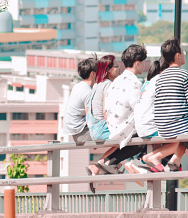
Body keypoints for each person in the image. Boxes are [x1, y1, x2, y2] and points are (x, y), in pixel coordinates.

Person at [151, 38, 188, 211]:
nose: (184, 54)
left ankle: (176, 159)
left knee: (183, 131)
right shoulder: (185, 74)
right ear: (177, 56)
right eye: (183, 52)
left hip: (163, 126)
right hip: (180, 125)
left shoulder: (160, 78)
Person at [90, 45, 148, 179]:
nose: (144, 65)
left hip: (113, 125)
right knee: (145, 136)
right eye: (143, 62)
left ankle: (107, 163)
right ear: (137, 63)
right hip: (123, 128)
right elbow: (139, 110)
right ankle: (137, 163)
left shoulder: (116, 81)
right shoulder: (134, 83)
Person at [85, 55, 120, 192]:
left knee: (122, 141)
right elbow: (107, 111)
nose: (119, 69)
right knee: (126, 138)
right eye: (116, 66)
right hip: (101, 127)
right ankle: (117, 165)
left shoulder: (97, 84)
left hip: (94, 128)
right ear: (108, 69)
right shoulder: (108, 85)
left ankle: (96, 167)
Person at [63, 58, 97, 145]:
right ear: (93, 74)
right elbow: (91, 119)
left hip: (75, 132)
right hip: (82, 134)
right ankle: (106, 159)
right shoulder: (87, 92)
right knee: (118, 135)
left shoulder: (78, 86)